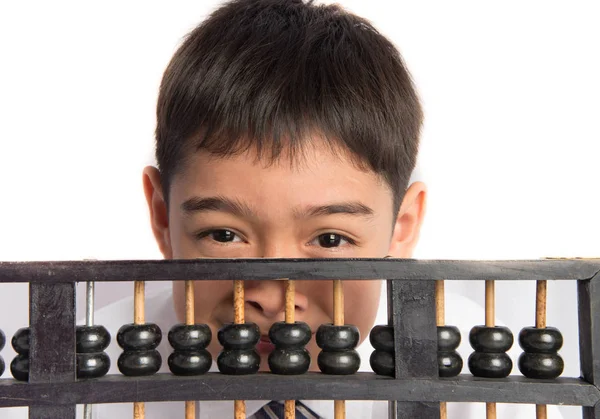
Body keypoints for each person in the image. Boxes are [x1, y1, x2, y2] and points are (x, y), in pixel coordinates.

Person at [0, 0, 568, 417]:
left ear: (402, 227)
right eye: (224, 235)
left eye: (329, 240)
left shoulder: (488, 389)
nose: (273, 294)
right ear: (163, 217)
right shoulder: (71, 384)